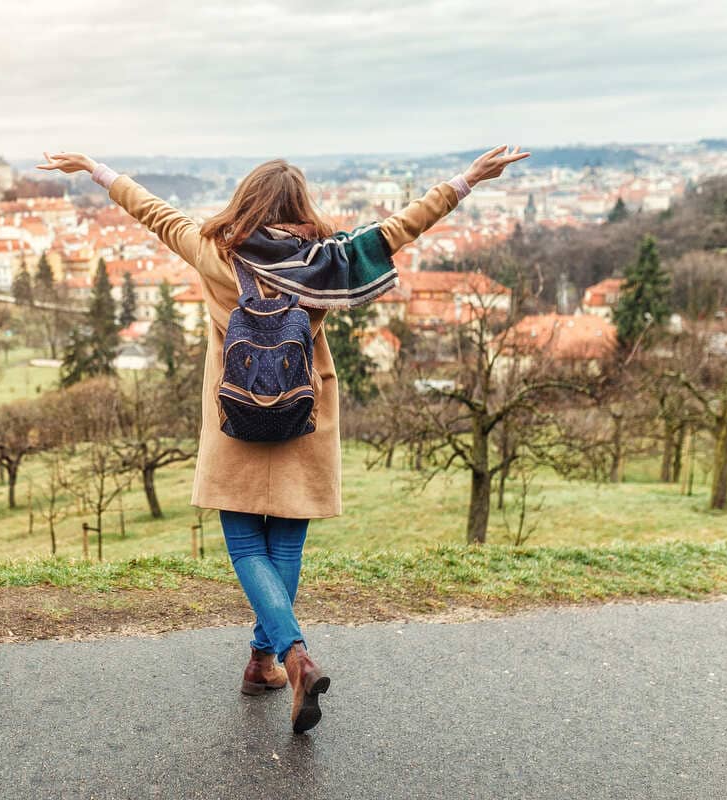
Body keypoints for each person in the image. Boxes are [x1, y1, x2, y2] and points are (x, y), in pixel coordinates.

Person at [36, 145, 530, 733]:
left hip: (234, 415)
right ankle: (265, 661)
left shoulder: (213, 252)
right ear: (302, 207)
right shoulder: (327, 261)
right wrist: (467, 179)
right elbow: (400, 228)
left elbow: (154, 212)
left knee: (247, 549)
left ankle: (288, 658)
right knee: (286, 551)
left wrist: (96, 170)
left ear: (244, 201)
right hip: (303, 415)